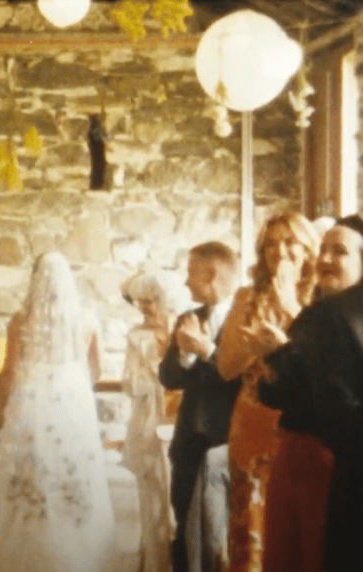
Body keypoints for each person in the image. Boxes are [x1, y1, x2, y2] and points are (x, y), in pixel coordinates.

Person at [0, 251, 115, 572]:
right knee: (72, 470)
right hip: (72, 404)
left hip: (30, 402)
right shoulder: (87, 319)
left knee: (32, 469)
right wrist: (73, 384)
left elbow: (9, 370)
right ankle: (76, 549)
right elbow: (97, 368)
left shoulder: (21, 320)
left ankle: (30, 543)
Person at [241, 216, 363, 572]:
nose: (325, 259)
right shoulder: (319, 312)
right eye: (322, 249)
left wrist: (283, 353)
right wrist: (271, 362)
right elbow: (281, 395)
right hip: (294, 449)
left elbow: (336, 404)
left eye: (339, 251)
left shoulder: (337, 316)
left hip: (332, 458)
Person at [217, 211, 318, 572]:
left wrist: (291, 310)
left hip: (304, 425)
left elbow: (320, 366)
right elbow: (226, 368)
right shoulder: (247, 297)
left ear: (308, 249)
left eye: (291, 241)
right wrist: (256, 342)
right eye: (271, 243)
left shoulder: (323, 299)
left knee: (299, 532)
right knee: (251, 531)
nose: (281, 250)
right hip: (253, 423)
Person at [158, 241, 240, 572]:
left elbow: (244, 380)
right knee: (184, 531)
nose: (186, 281)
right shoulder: (187, 318)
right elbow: (168, 378)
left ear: (211, 273)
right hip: (189, 444)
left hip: (228, 442)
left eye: (191, 272)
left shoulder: (246, 316)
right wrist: (184, 354)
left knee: (226, 538)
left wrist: (208, 351)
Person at [121, 268, 192, 572]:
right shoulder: (136, 336)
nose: (145, 307)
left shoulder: (186, 330)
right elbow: (129, 384)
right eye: (141, 301)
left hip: (182, 420)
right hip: (149, 420)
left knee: (182, 496)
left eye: (152, 300)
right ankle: (155, 563)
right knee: (152, 498)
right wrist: (155, 371)